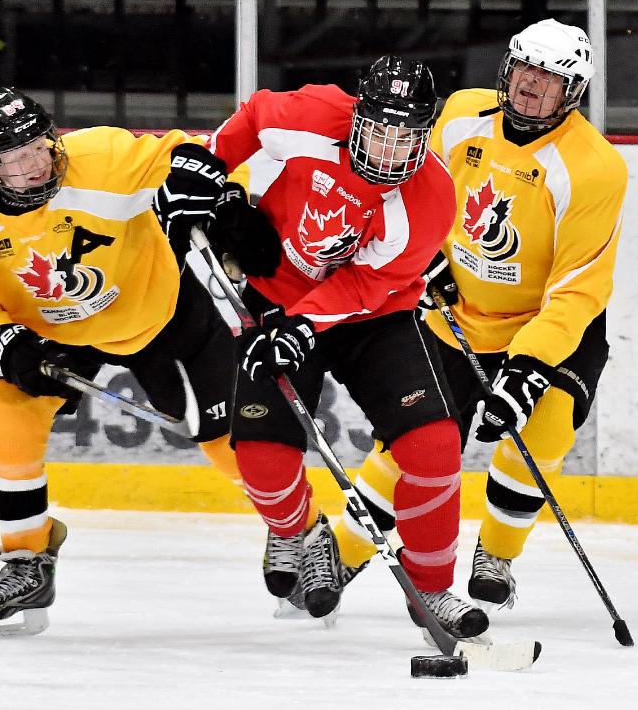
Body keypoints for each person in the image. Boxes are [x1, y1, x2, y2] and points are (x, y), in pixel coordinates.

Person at [155, 55, 490, 643]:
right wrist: (208, 170)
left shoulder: (431, 197)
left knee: (435, 445)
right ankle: (300, 531)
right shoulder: (313, 116)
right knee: (261, 455)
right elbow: (255, 117)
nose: (390, 150)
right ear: (359, 114)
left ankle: (433, 587)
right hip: (272, 297)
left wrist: (304, 327)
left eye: (406, 136)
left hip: (374, 316)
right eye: (381, 130)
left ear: (424, 133)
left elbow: (366, 284)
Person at [325, 19, 628, 615]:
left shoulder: (594, 169)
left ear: (573, 92)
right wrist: (424, 259)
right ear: (506, 69)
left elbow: (575, 290)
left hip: (550, 325)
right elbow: (413, 189)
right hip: (454, 314)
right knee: (414, 445)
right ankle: (338, 553)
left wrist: (528, 370)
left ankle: (497, 554)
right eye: (524, 71)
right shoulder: (463, 114)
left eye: (550, 79)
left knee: (544, 428)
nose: (531, 87)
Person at [0, 88, 244, 638]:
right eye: (13, 158)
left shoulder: (100, 159)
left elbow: (185, 150)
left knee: (224, 436)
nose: (32, 166)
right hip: (57, 333)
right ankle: (27, 561)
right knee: (8, 415)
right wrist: (1, 338)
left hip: (160, 309)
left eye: (37, 149)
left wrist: (202, 181)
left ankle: (300, 528)